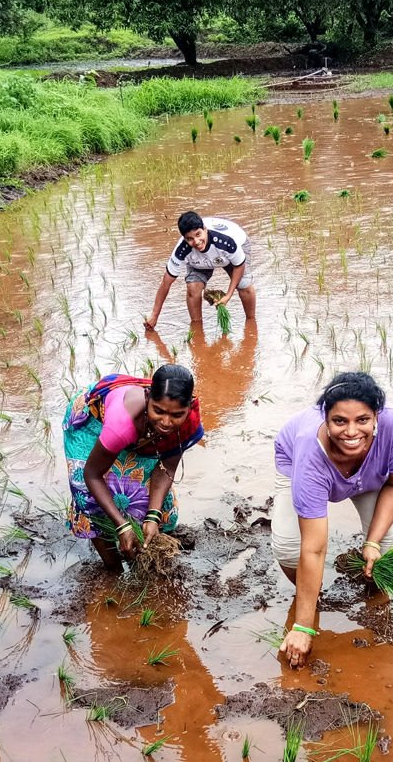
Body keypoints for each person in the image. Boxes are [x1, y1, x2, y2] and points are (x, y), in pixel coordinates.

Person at [272, 372, 393, 668]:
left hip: (370, 475)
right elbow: (314, 547)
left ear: (377, 416)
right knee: (288, 546)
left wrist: (373, 542)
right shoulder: (309, 451)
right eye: (340, 421)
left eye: (362, 420)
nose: (351, 431)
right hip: (301, 464)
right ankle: (309, 595)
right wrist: (303, 626)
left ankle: (374, 590)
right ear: (325, 418)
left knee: (392, 543)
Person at [63, 364, 203, 567]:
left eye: (176, 415)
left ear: (188, 407)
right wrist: (121, 526)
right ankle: (112, 567)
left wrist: (153, 516)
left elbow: (166, 468)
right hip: (93, 422)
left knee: (151, 503)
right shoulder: (122, 423)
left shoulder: (188, 423)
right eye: (159, 411)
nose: (166, 422)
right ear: (147, 398)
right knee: (89, 497)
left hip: (139, 432)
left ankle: (139, 549)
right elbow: (92, 474)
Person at [144, 211, 256, 330]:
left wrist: (228, 295)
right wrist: (154, 316)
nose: (196, 242)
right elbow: (166, 283)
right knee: (193, 287)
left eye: (198, 234)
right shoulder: (182, 250)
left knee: (244, 286)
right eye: (190, 238)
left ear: (205, 230)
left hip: (230, 252)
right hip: (199, 260)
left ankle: (251, 324)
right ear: (184, 238)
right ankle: (197, 330)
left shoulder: (226, 241)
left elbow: (239, 265)